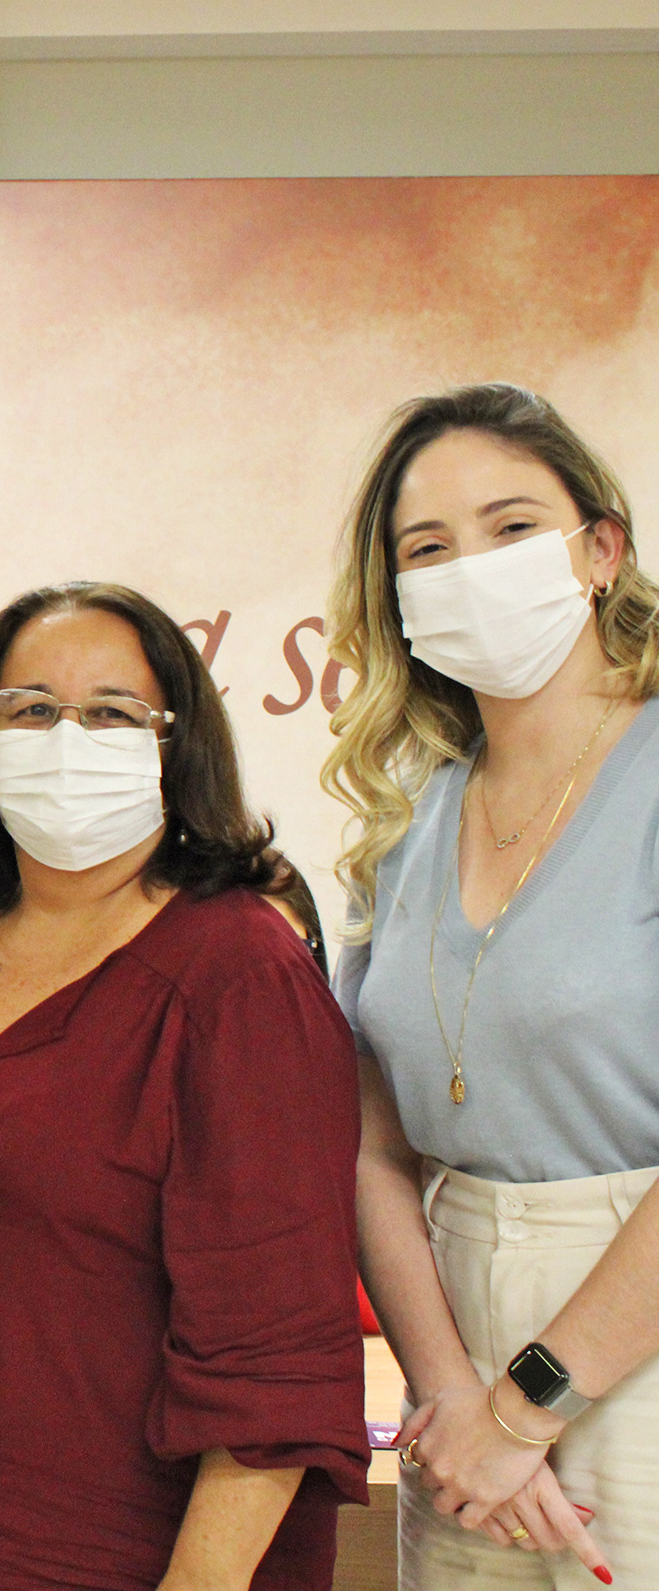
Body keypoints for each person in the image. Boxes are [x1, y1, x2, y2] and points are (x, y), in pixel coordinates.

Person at [0, 580, 369, 1591]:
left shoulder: (240, 978)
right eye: (31, 708)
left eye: (113, 713)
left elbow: (276, 1354)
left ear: (178, 744)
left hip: (164, 1560)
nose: (66, 738)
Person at [328, 384, 659, 1586]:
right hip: (454, 1363)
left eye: (511, 526)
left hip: (631, 1335)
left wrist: (526, 1407)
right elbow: (372, 1147)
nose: (470, 566)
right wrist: (452, 1395)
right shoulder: (402, 818)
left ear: (600, 548)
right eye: (427, 548)